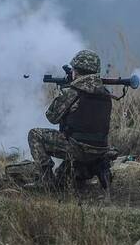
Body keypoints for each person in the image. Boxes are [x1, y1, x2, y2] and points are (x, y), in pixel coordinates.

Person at [27, 50, 113, 189]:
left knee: (35, 134)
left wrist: (63, 93)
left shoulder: (73, 92)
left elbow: (52, 117)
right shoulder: (105, 93)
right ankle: (94, 169)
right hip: (100, 149)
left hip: (78, 149)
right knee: (63, 179)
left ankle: (45, 180)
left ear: (77, 71)